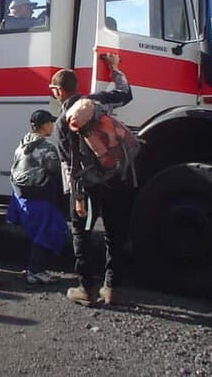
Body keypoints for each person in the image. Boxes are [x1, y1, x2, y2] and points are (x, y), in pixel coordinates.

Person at [50, 53, 133, 305]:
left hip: (86, 187)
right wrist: (115, 68)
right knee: (114, 233)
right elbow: (125, 93)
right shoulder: (96, 102)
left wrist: (75, 196)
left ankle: (85, 289)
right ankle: (111, 289)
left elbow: (69, 164)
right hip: (116, 177)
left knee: (81, 235)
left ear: (58, 91)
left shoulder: (61, 124)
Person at [5, 109, 68, 285]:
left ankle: (35, 268)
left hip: (20, 198)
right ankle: (36, 271)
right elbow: (58, 173)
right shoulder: (46, 148)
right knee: (52, 230)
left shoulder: (23, 142)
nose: (53, 126)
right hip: (38, 199)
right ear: (45, 125)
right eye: (51, 123)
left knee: (38, 233)